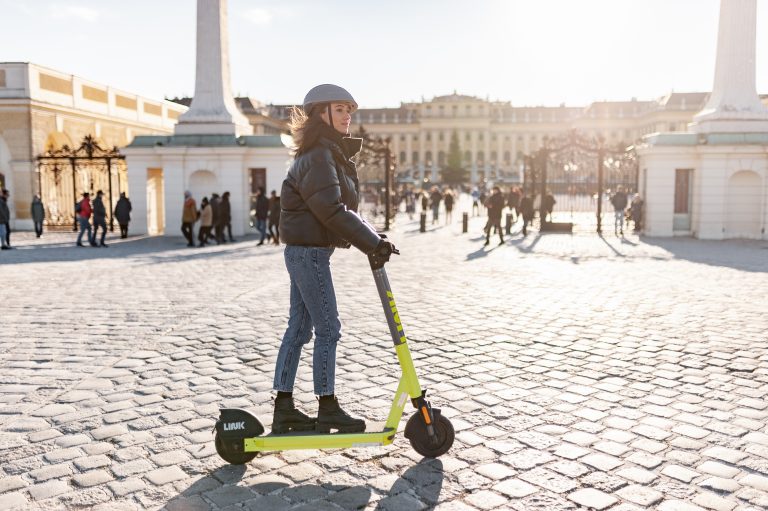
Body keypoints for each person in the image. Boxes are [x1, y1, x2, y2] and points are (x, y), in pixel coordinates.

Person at [273, 84, 395, 435]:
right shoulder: (318, 156)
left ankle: (284, 409)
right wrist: (372, 243)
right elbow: (330, 209)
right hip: (309, 253)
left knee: (299, 329)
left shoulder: (326, 153)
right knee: (328, 328)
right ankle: (326, 406)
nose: (348, 116)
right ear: (321, 113)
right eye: (340, 109)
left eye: (349, 110)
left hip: (306, 251)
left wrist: (376, 238)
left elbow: (342, 208)